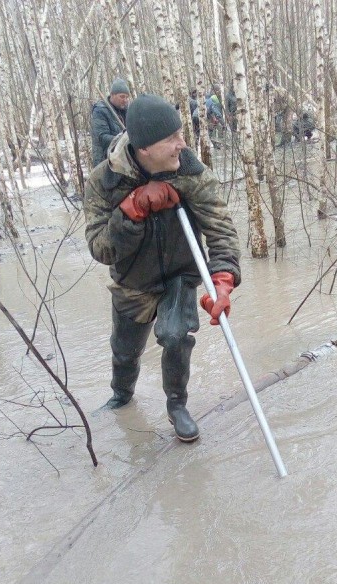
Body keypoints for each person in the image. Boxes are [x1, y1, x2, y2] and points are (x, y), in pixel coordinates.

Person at [84, 94, 241, 442]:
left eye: (181, 133)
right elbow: (100, 249)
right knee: (125, 350)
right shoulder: (104, 181)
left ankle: (177, 405)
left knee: (174, 336)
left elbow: (220, 227)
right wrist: (131, 210)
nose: (181, 144)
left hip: (179, 274)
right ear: (144, 149)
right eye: (170, 139)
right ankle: (122, 395)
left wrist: (223, 278)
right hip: (132, 282)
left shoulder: (189, 171)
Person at [91, 78, 131, 167]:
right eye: (122, 96)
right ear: (112, 95)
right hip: (105, 161)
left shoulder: (127, 109)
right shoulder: (100, 110)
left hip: (122, 158)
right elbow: (102, 137)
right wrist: (125, 140)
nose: (125, 100)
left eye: (127, 97)